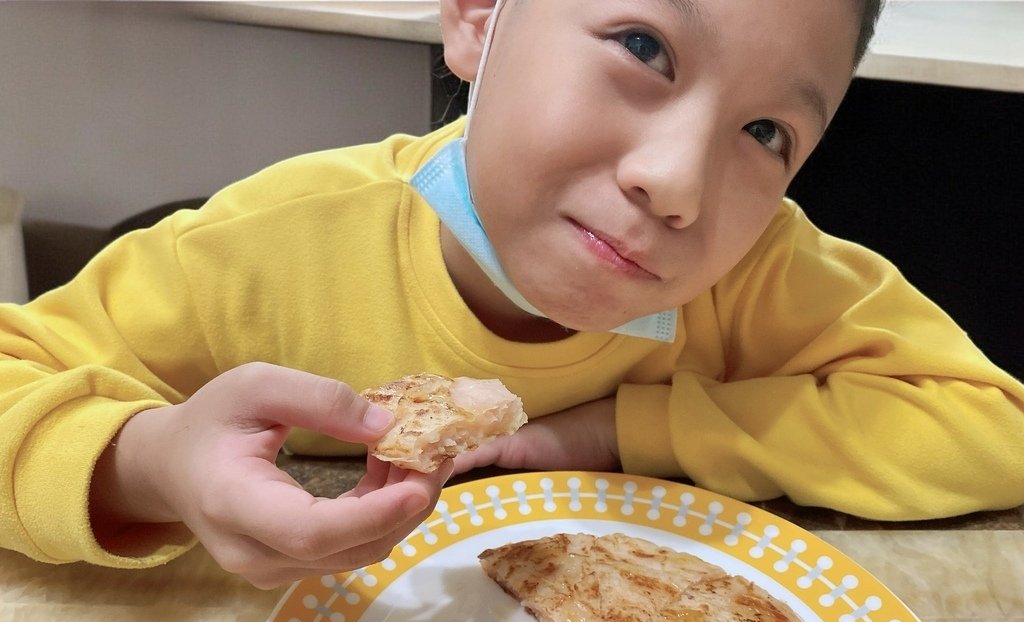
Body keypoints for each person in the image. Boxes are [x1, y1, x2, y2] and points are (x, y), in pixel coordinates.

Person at [2, 0, 1022, 589]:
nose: (676, 185)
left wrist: (625, 429)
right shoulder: (261, 251)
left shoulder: (768, 273)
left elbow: (991, 425)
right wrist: (148, 465)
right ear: (480, 19)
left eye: (766, 135)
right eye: (643, 47)